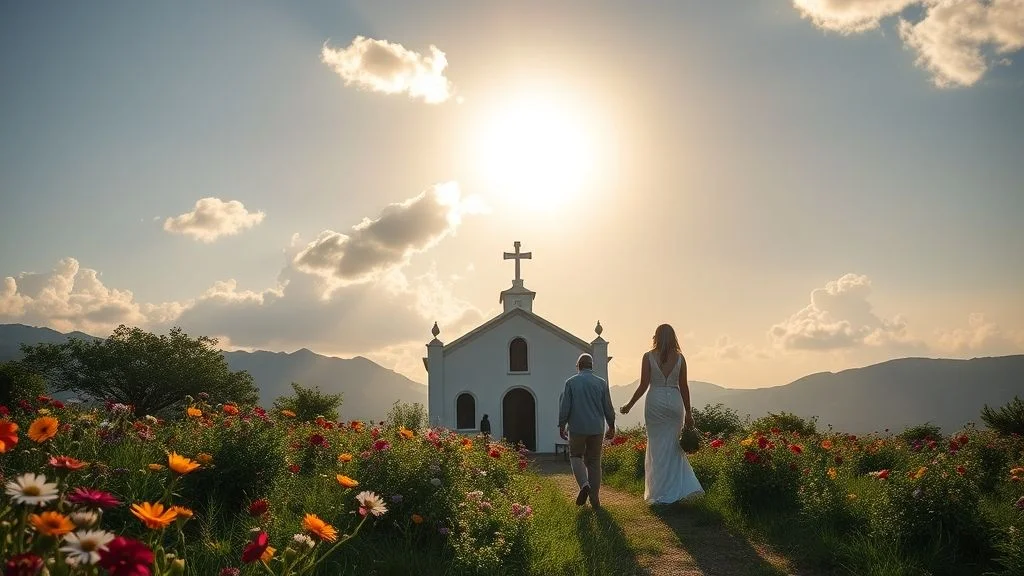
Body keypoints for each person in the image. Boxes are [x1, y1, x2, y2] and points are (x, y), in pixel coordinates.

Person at [620, 324, 704, 504]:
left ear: (656, 336)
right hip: (674, 401)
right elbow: (684, 387)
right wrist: (689, 412)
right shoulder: (680, 358)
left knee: (657, 448)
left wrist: (629, 404)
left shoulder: (648, 356)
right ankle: (679, 489)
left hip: (655, 402)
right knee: (674, 447)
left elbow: (643, 385)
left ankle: (659, 492)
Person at [558, 353, 616, 507]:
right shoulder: (601, 383)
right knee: (594, 462)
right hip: (596, 428)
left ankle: (584, 485)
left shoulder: (571, 383)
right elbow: (608, 406)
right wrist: (611, 424)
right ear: (591, 366)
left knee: (575, 456)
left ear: (579, 366)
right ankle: (595, 499)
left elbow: (565, 407)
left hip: (577, 428)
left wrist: (561, 424)